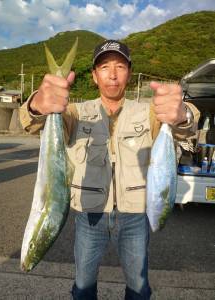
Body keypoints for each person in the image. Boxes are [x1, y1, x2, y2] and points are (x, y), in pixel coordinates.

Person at [19, 39, 200, 300]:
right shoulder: (73, 112)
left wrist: (183, 113)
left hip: (136, 216)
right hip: (89, 216)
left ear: (129, 72)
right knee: (82, 287)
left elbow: (187, 126)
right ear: (94, 75)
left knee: (139, 289)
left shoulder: (150, 112)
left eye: (119, 66)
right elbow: (32, 122)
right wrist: (38, 103)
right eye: (104, 67)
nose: (112, 74)